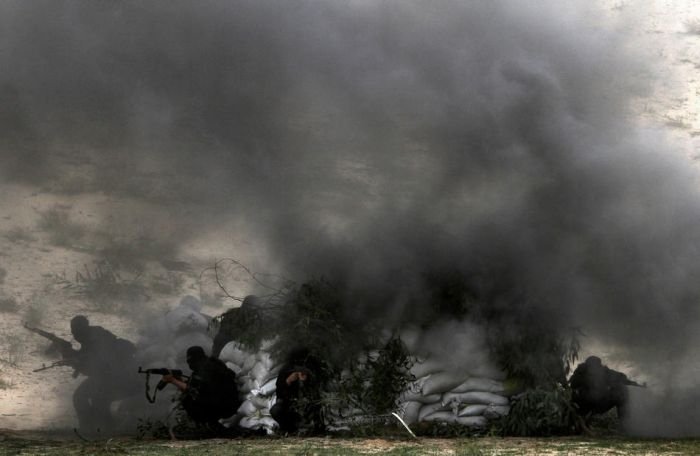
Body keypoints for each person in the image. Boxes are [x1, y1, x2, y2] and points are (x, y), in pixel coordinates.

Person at [69, 315, 140, 434]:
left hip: (123, 378)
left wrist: (77, 363)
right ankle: (97, 428)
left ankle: (92, 429)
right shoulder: (91, 337)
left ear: (82, 329)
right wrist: (72, 358)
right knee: (92, 398)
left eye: (75, 331)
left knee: (93, 398)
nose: (74, 335)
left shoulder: (97, 339)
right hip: (112, 376)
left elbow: (96, 367)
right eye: (73, 332)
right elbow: (90, 363)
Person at [161, 346, 240, 426]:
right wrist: (179, 381)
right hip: (230, 405)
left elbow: (193, 390)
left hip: (222, 408)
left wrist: (172, 380)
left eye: (189, 360)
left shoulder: (204, 369)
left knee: (188, 400)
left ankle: (207, 423)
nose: (189, 363)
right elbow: (198, 386)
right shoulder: (212, 363)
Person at [569, 356, 643, 420]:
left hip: (599, 403)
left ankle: (625, 425)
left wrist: (637, 385)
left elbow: (621, 378)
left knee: (621, 391)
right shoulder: (580, 372)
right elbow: (572, 386)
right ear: (587, 365)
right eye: (591, 366)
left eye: (595, 366)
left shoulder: (604, 372)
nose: (593, 369)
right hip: (583, 406)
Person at [270, 348, 323, 434]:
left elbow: (315, 391)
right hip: (289, 405)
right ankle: (289, 429)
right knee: (276, 410)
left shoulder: (311, 372)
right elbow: (279, 391)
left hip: (306, 405)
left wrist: (305, 381)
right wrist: (288, 381)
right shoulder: (285, 372)